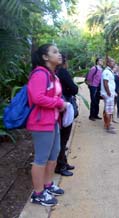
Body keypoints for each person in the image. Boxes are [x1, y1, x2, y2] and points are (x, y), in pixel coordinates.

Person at [27, 44, 67, 206]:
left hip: (53, 121)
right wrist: (59, 102)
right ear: (45, 57)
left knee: (54, 154)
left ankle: (48, 185)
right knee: (41, 158)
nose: (59, 55)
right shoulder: (40, 74)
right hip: (41, 122)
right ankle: (37, 193)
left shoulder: (53, 75)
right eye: (55, 52)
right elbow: (37, 97)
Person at [55, 54, 78, 177]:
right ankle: (61, 165)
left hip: (59, 108)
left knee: (62, 138)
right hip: (63, 107)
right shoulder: (62, 71)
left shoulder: (54, 73)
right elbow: (74, 89)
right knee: (63, 138)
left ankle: (63, 162)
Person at [101, 57, 116, 134]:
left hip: (109, 93)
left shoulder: (109, 71)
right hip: (108, 94)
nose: (114, 63)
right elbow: (105, 82)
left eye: (114, 62)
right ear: (108, 63)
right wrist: (109, 92)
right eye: (112, 62)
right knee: (109, 110)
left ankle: (106, 124)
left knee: (107, 109)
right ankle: (108, 125)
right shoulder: (107, 71)